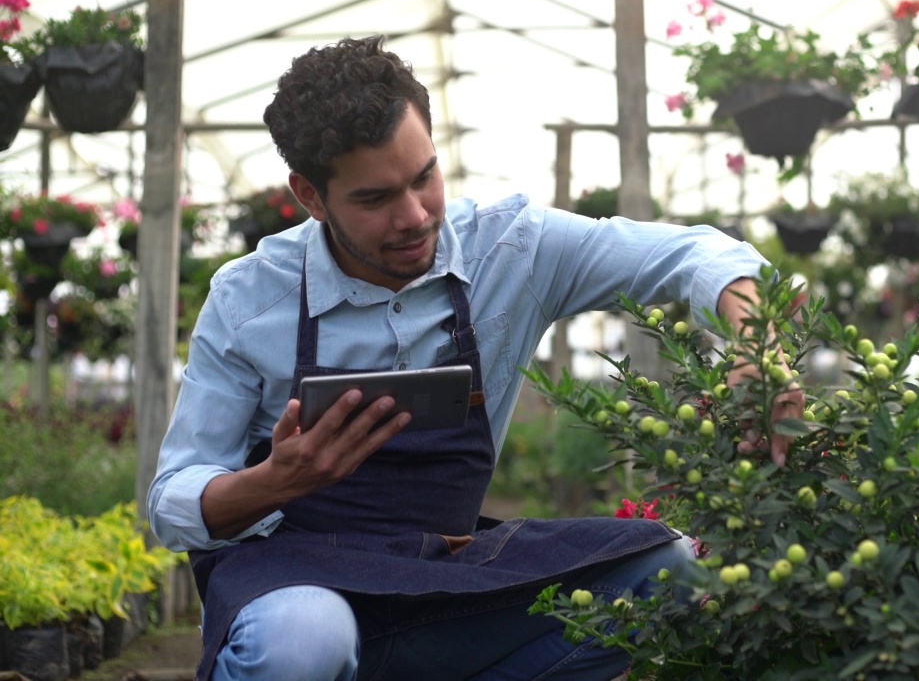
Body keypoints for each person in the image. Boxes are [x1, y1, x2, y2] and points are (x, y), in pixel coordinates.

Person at [148, 35, 803, 681]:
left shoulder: (510, 250)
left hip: (442, 577)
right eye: (375, 199)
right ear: (311, 197)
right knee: (306, 642)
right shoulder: (249, 298)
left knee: (670, 575)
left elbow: (695, 255)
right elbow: (173, 499)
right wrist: (270, 484)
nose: (414, 217)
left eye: (424, 177)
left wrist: (759, 348)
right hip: (290, 585)